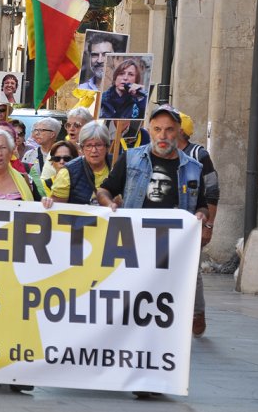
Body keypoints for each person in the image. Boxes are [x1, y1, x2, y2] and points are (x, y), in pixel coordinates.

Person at [96, 106, 209, 384]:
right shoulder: (131, 157)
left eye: (169, 129)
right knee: (129, 301)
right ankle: (122, 357)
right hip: (132, 243)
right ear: (150, 129)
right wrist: (108, 203)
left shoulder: (193, 167)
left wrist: (202, 217)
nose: (163, 135)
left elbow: (203, 204)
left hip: (171, 249)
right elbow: (106, 188)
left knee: (163, 307)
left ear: (178, 132)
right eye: (157, 129)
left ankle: (156, 365)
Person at [177, 112, 220, 337]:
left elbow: (211, 190)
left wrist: (208, 225)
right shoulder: (156, 153)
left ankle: (197, 313)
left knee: (191, 270)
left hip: (191, 223)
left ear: (180, 131)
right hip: (164, 224)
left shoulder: (198, 155)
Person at [42, 121, 111, 206]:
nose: (94, 150)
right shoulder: (67, 173)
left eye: (98, 145)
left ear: (107, 147)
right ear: (81, 149)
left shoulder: (118, 166)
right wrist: (48, 203)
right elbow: (57, 208)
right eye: (88, 146)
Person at [21, 117, 61, 196]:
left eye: (41, 130)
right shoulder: (29, 154)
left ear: (52, 134)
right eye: (35, 130)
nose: (36, 133)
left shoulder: (62, 155)